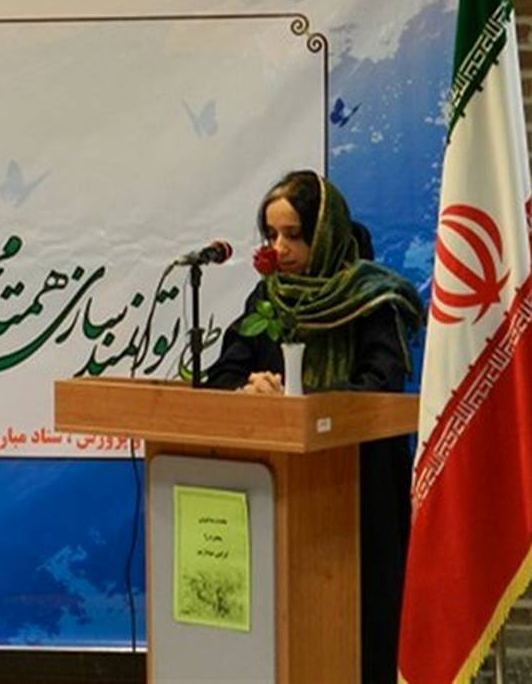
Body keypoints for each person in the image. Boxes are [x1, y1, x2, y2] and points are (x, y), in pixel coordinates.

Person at [206, 169, 422, 684]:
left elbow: (381, 383)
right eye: (271, 235)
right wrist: (249, 389)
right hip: (279, 491)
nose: (279, 248)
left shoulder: (374, 299)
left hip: (362, 488)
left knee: (361, 624)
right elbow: (223, 374)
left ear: (324, 234)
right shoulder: (268, 300)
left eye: (294, 235)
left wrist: (300, 402)